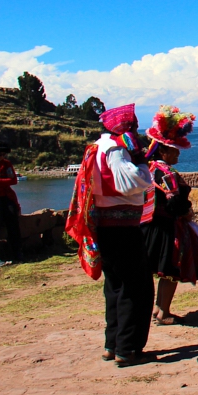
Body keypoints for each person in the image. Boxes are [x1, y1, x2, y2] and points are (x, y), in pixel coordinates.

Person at [74, 103, 154, 367]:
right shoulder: (115, 149)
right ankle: (127, 347)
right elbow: (130, 182)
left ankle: (113, 343)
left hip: (108, 227)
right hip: (122, 229)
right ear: (125, 126)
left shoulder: (98, 147)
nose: (136, 128)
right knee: (134, 287)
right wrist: (142, 163)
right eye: (133, 124)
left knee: (116, 286)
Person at [141, 106, 198, 326]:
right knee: (170, 270)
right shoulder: (167, 173)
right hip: (168, 227)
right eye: (174, 150)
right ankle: (164, 312)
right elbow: (174, 202)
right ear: (163, 151)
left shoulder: (150, 169)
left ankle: (159, 308)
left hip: (152, 225)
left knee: (162, 270)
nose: (178, 153)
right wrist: (186, 211)